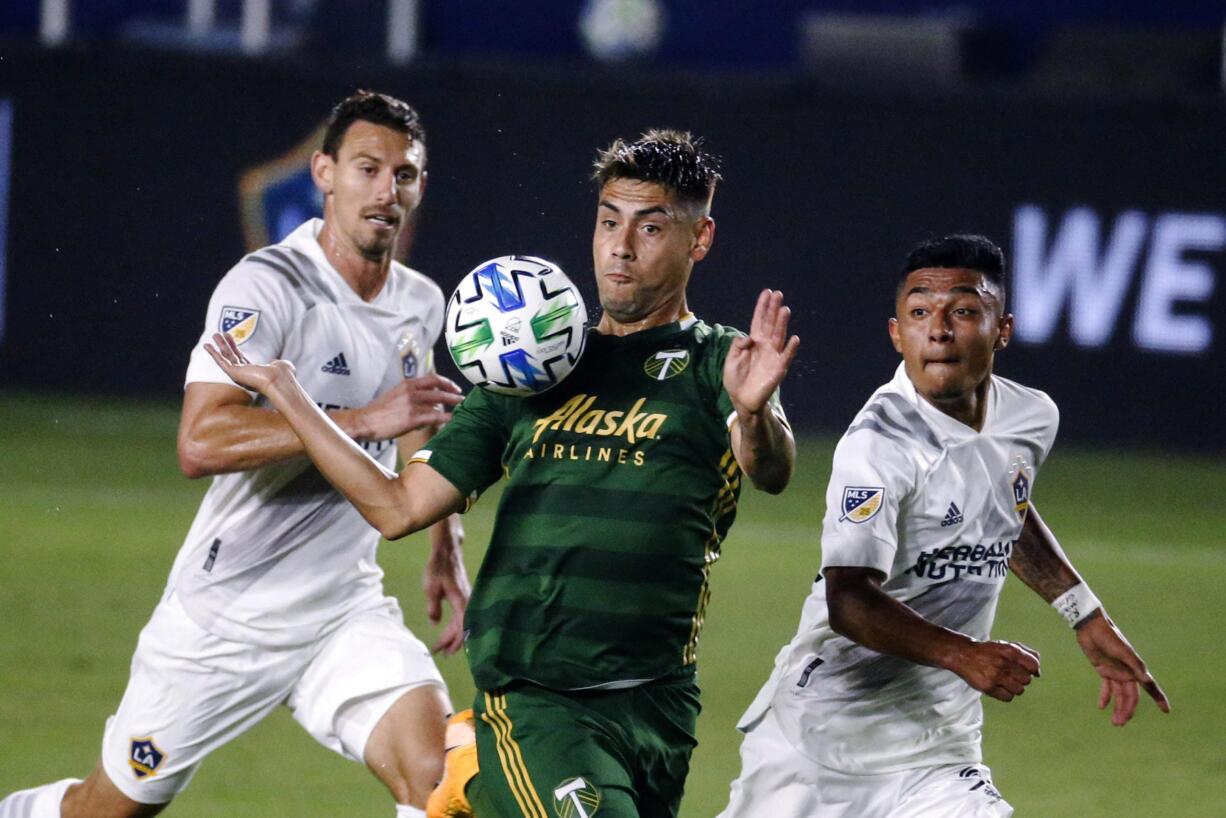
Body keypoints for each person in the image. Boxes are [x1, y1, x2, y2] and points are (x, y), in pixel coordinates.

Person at [200, 129, 800, 818]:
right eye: (609, 222)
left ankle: (473, 790)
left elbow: (771, 471)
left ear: (700, 239)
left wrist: (754, 415)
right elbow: (398, 508)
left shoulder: (718, 362)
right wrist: (291, 395)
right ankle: (477, 771)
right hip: (538, 696)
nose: (621, 247)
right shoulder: (528, 368)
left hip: (658, 700)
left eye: (651, 226)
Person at [0, 90, 469, 818]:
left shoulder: (420, 301)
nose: (386, 191)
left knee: (441, 781)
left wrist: (444, 536)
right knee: (105, 811)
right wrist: (358, 418)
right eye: (368, 169)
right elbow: (200, 440)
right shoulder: (267, 286)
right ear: (324, 172)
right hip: (225, 619)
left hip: (342, 610)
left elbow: (416, 418)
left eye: (403, 175)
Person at [717, 234, 1171, 818]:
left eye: (962, 311)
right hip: (818, 745)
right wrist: (965, 655)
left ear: (1001, 329)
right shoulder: (879, 445)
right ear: (895, 333)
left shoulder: (1030, 417)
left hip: (938, 746)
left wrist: (1083, 613)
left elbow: (1006, 503)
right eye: (920, 313)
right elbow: (848, 600)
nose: (938, 330)